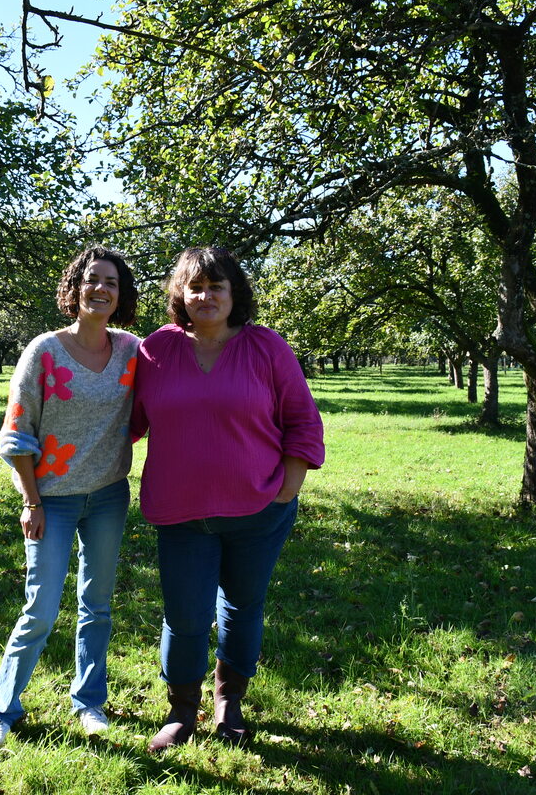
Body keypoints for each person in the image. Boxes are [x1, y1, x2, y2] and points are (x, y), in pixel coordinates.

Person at [130, 246, 324, 752]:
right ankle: (181, 709)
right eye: (195, 287)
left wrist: (287, 489)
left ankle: (228, 701)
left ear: (234, 293)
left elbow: (302, 420)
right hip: (180, 513)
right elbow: (123, 419)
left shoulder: (267, 348)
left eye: (216, 286)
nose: (205, 295)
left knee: (242, 608)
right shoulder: (156, 350)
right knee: (186, 615)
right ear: (179, 296)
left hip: (258, 512)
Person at [0, 246, 140, 747]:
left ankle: (89, 701)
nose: (101, 289)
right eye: (92, 279)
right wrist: (31, 500)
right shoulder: (44, 351)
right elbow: (16, 433)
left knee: (97, 605)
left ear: (121, 295)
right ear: (75, 288)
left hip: (109, 495)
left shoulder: (134, 351)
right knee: (41, 608)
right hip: (52, 499)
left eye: (111, 282)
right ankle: (2, 707)